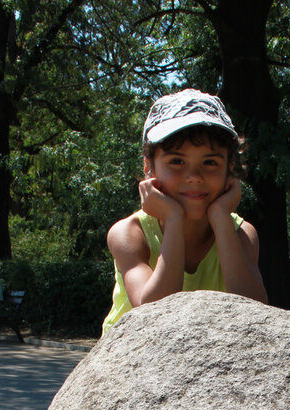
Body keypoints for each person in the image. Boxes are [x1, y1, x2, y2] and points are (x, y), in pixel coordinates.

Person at [102, 89, 268, 334]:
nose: (194, 177)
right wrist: (173, 219)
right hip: (130, 365)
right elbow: (152, 314)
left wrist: (221, 218)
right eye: (177, 162)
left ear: (229, 170)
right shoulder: (130, 234)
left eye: (210, 163)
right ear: (149, 167)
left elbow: (256, 313)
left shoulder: (241, 234)